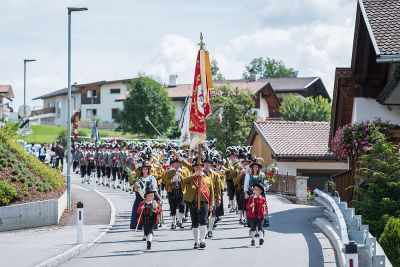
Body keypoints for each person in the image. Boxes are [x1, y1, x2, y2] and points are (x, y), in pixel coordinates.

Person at [182, 159, 214, 249]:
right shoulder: (191, 178)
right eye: (196, 167)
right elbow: (183, 181)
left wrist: (211, 204)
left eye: (199, 167)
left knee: (203, 221)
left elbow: (211, 192)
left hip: (204, 202)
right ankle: (196, 241)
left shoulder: (207, 178)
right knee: (194, 223)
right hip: (193, 203)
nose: (197, 168)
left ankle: (202, 240)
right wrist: (194, 176)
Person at [130, 161, 160, 233]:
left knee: (150, 213)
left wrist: (159, 198)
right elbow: (134, 190)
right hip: (140, 199)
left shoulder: (152, 178)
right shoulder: (138, 179)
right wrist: (135, 186)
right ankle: (140, 226)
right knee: (139, 212)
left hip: (150, 198)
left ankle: (149, 228)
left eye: (146, 169)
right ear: (141, 170)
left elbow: (155, 190)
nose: (145, 170)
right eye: (144, 169)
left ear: (148, 170)